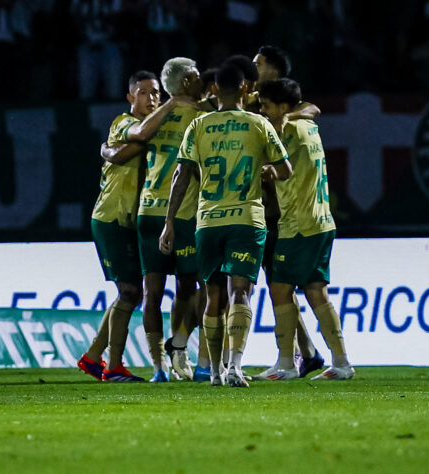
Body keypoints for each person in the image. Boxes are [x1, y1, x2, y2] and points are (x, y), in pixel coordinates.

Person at [159, 64, 292, 387]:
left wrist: (169, 223)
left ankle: (216, 372)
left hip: (208, 221)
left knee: (213, 295)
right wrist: (268, 172)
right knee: (240, 293)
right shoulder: (258, 124)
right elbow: (285, 170)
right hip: (246, 219)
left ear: (214, 90)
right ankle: (234, 366)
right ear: (245, 89)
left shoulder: (199, 125)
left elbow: (181, 174)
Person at [78, 70, 185, 382]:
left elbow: (126, 151)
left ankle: (94, 357)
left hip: (129, 217)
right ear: (130, 98)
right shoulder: (124, 123)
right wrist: (172, 105)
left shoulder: (154, 126)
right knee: (129, 291)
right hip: (111, 216)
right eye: (143, 92)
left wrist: (107, 151)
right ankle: (112, 366)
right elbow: (136, 142)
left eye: (156, 93)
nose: (150, 98)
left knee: (131, 292)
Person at [255, 78, 354, 381]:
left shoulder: (286, 130)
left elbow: (271, 160)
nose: (261, 111)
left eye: (266, 106)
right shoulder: (308, 127)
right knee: (315, 291)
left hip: (299, 225)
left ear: (284, 108)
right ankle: (341, 363)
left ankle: (286, 362)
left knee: (280, 289)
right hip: (322, 221)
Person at [251, 45, 325, 378]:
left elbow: (313, 108)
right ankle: (306, 352)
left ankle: (300, 355)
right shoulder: (256, 101)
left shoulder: (284, 104)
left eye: (259, 64)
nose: (254, 68)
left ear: (276, 70)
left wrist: (280, 119)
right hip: (265, 207)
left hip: (283, 211)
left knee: (283, 284)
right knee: (278, 284)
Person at [135, 57, 203, 383]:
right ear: (188, 81)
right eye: (197, 75)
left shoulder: (198, 114)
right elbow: (138, 136)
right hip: (165, 213)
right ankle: (161, 363)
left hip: (173, 212)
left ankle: (177, 350)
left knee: (186, 288)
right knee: (160, 292)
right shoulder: (173, 115)